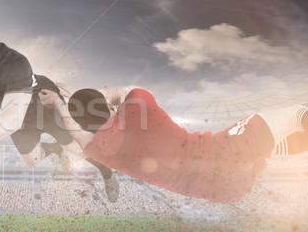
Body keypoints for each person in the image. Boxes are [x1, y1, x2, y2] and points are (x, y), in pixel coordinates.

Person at [0, 17, 119, 202]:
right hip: (16, 115)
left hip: (45, 107)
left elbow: (12, 119)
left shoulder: (14, 62)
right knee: (31, 160)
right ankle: (54, 149)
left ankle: (107, 171)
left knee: (76, 149)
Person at [38, 84, 308, 203]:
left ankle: (278, 146)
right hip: (225, 153)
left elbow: (77, 133)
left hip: (223, 192)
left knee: (274, 142)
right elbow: (124, 90)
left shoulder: (102, 152)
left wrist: (63, 106)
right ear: (107, 105)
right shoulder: (136, 108)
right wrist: (86, 95)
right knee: (294, 113)